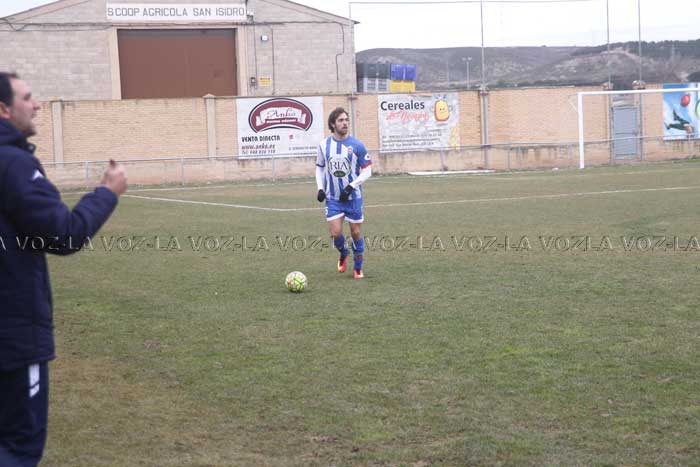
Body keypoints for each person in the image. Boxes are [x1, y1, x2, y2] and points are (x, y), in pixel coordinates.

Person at [0, 72, 127, 466]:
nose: (37, 105)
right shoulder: (13, 165)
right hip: (12, 336)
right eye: (27, 97)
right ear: (3, 109)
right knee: (18, 448)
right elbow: (64, 234)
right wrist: (107, 192)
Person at [315, 107, 372, 279]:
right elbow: (320, 167)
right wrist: (320, 188)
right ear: (333, 124)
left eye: (346, 119)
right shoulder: (324, 145)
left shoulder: (357, 145)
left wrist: (351, 186)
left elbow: (367, 170)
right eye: (340, 120)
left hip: (353, 198)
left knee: (355, 233)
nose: (345, 123)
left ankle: (358, 267)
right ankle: (344, 251)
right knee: (336, 233)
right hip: (333, 198)